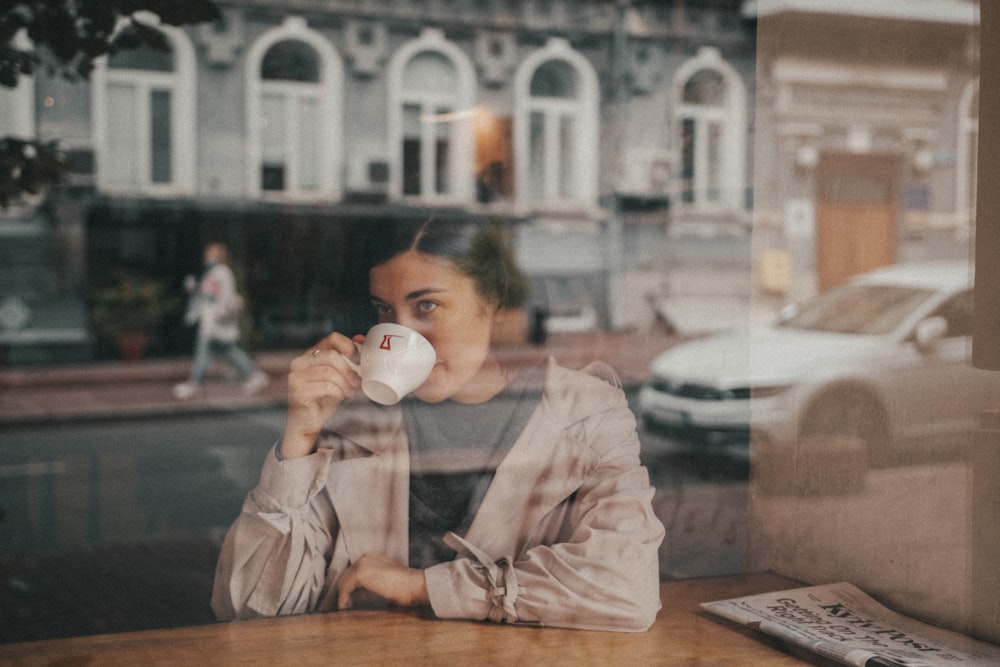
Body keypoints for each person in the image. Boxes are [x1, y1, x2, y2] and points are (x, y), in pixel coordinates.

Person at [210, 218, 665, 631]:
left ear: (493, 302)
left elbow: (626, 589)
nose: (402, 333)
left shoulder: (586, 412)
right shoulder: (353, 417)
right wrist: (299, 440)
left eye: (426, 306)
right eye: (385, 312)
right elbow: (249, 611)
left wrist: (424, 586)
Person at [173, 242, 268, 399]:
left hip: (217, 322)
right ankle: (255, 374)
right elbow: (207, 294)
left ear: (220, 256)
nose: (208, 257)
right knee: (229, 352)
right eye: (208, 253)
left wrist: (220, 313)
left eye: (212, 254)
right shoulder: (212, 273)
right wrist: (194, 289)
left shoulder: (223, 273)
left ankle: (195, 383)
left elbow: (224, 296)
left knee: (205, 351)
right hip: (212, 322)